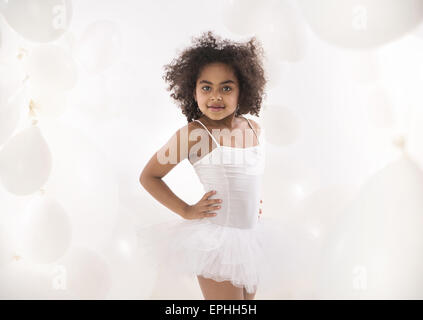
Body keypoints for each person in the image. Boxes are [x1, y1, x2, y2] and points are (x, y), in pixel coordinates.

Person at [138, 31, 285, 300]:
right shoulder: (195, 135)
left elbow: (245, 175)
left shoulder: (254, 128)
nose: (215, 96)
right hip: (216, 242)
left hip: (251, 237)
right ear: (192, 90)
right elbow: (150, 177)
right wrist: (185, 209)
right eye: (206, 87)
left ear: (243, 89)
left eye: (226, 88)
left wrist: (250, 203)